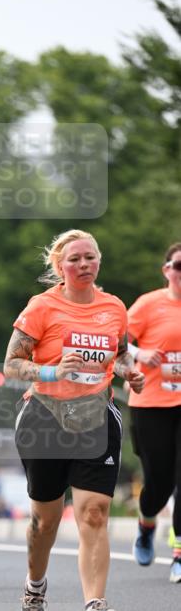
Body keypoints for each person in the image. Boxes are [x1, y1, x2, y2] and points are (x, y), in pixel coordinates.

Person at [3, 229, 144, 611]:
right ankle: (35, 585)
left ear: (99, 261)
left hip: (97, 416)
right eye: (74, 259)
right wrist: (52, 371)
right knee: (44, 521)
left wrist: (127, 370)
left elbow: (118, 354)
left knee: (94, 512)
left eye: (90, 258)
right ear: (59, 267)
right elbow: (12, 363)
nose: (84, 265)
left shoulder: (114, 307)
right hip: (45, 418)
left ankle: (93, 608)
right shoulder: (42, 308)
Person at [127, 242, 181, 583]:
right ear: (167, 270)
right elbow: (118, 342)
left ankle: (179, 555)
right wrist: (141, 354)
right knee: (158, 483)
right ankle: (147, 526)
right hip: (151, 405)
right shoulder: (149, 304)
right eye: (179, 266)